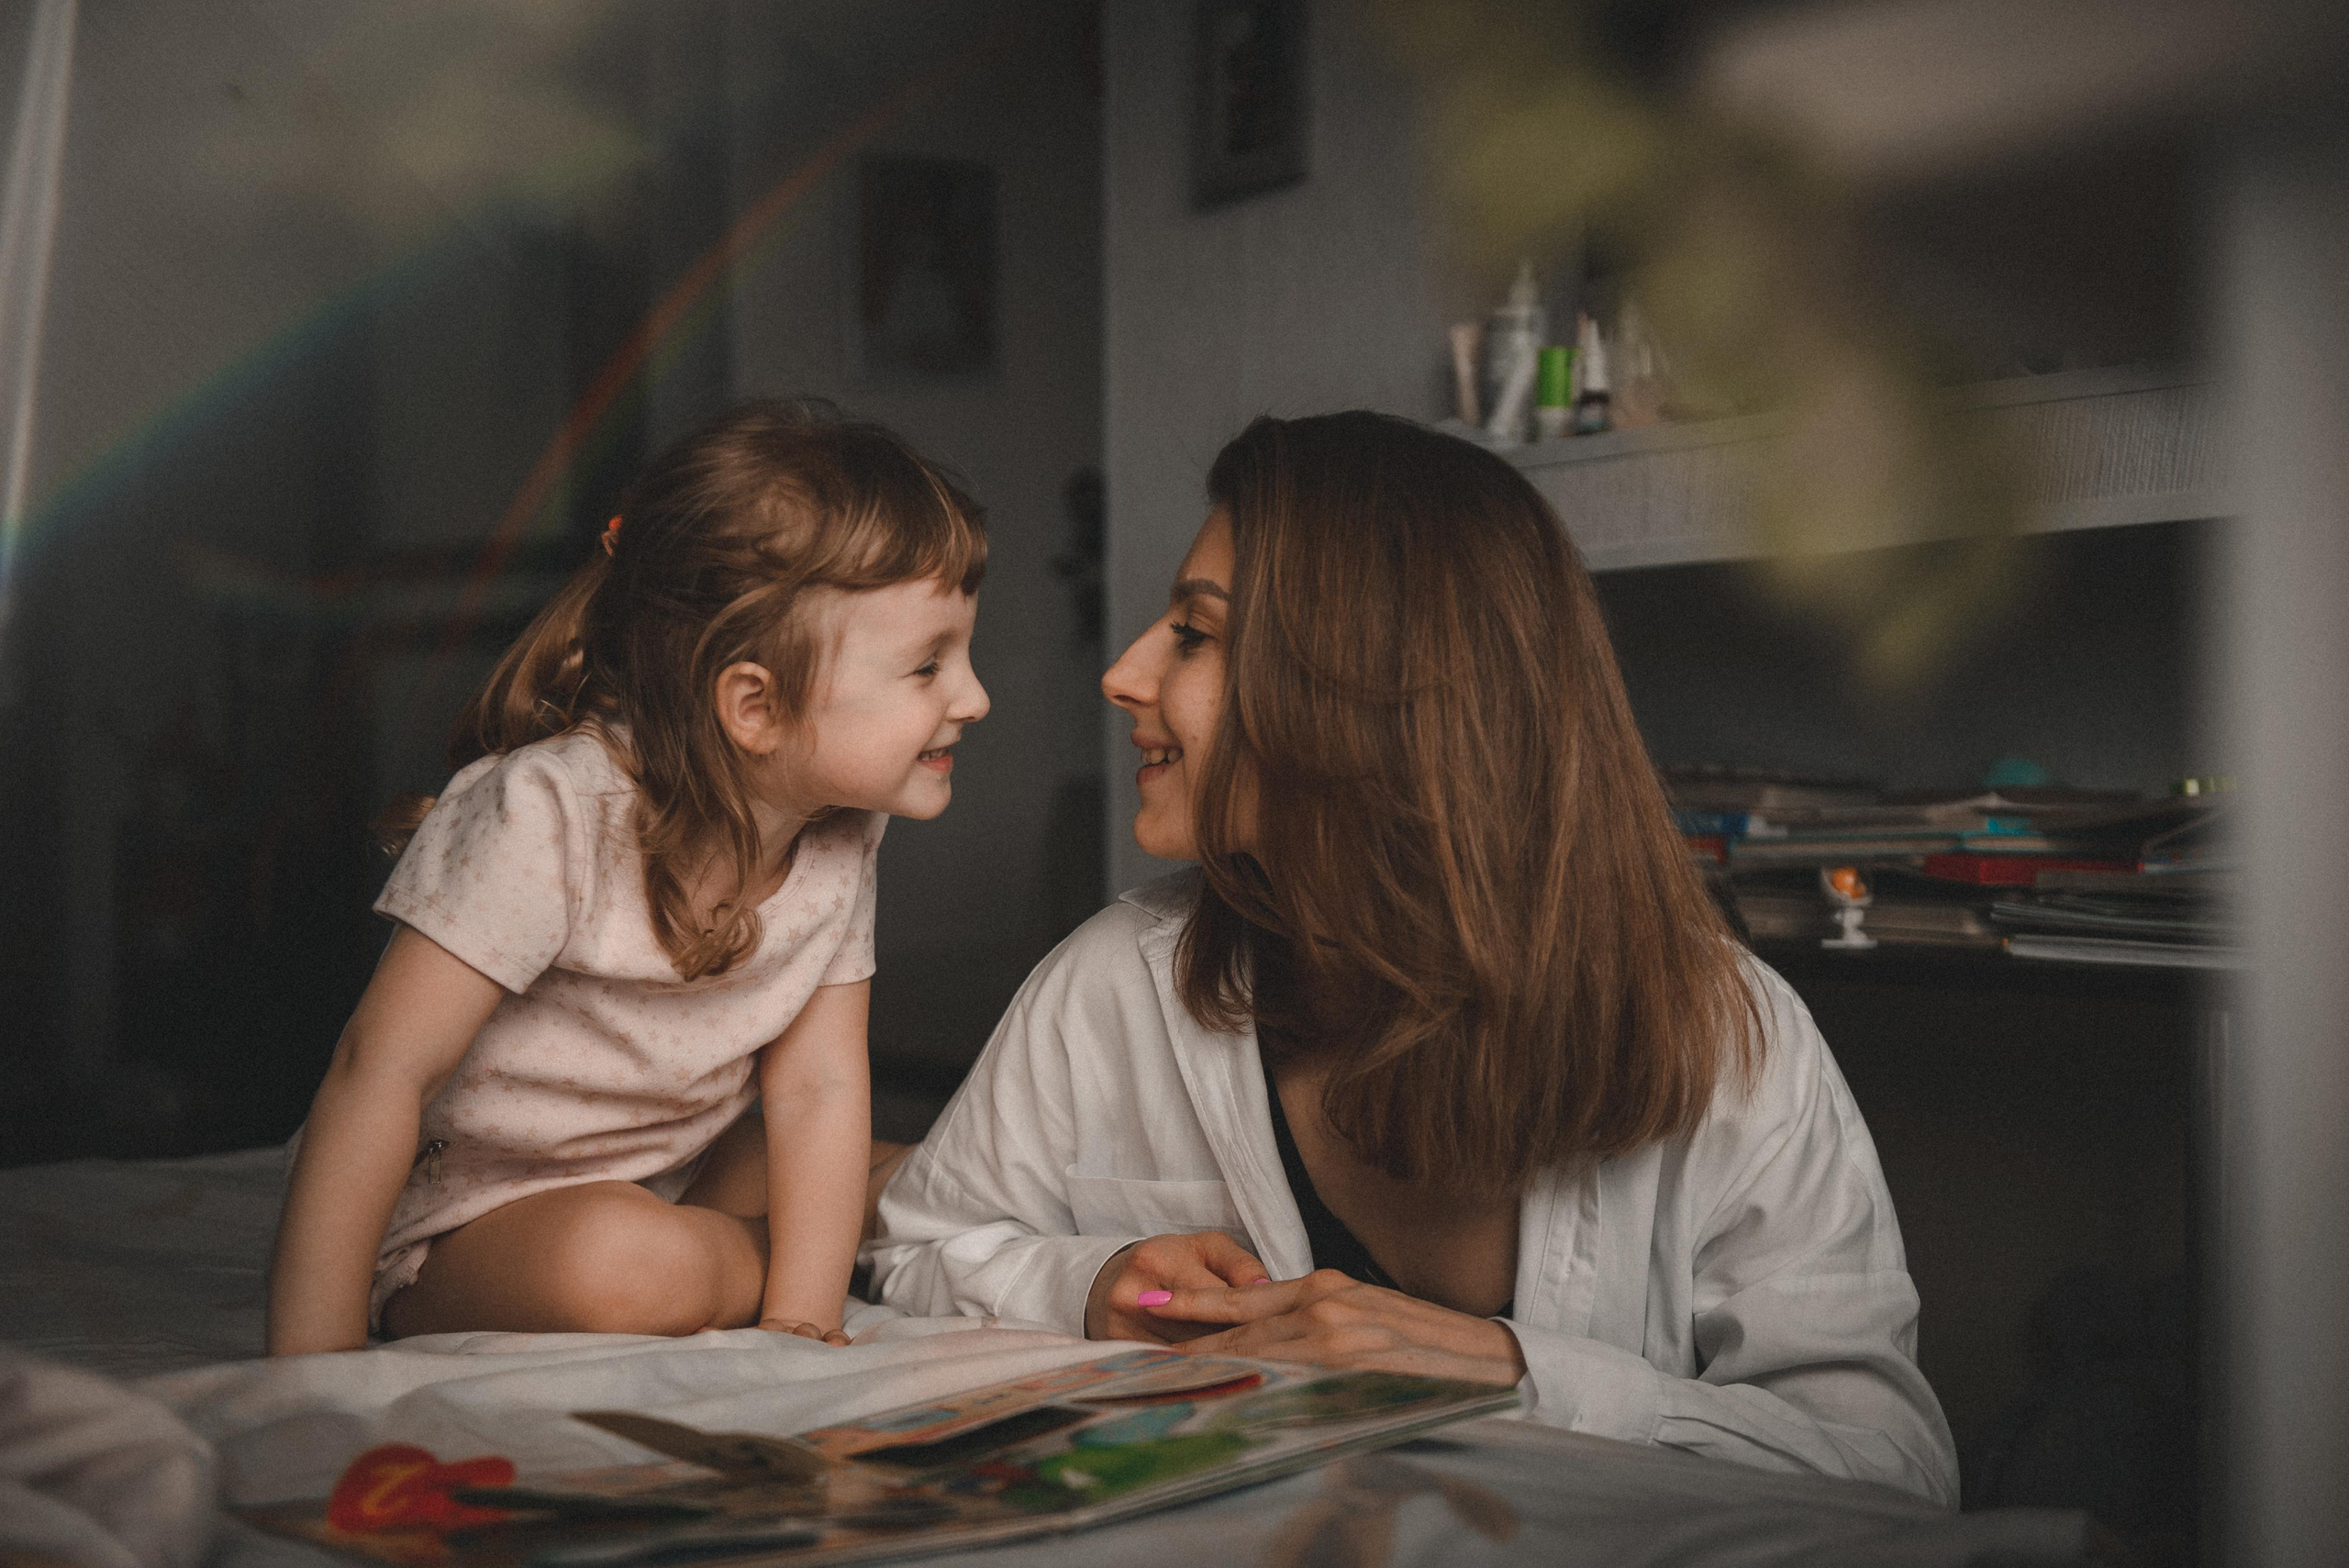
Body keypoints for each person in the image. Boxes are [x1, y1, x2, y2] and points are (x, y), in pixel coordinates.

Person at [865, 411, 1959, 1505]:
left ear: (1362, 689)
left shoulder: (1728, 1035)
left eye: (1194, 634)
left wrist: (1507, 1372)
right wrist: (1090, 1283)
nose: (1122, 672)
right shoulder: (1113, 977)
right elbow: (916, 1253)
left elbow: (1893, 1471)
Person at [267, 400, 987, 1355]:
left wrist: (806, 1323)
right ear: (754, 705)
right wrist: (310, 1358)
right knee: (628, 1263)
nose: (973, 697)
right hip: (473, 1222)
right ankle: (827, 1228)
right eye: (928, 665)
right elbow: (381, 1070)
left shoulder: (838, 829)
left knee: (913, 1157)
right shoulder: (548, 812)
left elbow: (816, 1084)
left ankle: (854, 1213)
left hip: (682, 1165)